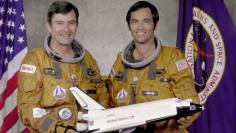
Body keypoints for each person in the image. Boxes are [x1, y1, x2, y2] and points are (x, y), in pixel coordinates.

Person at [108, 1, 200, 133]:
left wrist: (185, 114)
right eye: (135, 21)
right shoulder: (120, 61)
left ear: (154, 25)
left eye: (146, 21)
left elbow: (190, 101)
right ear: (129, 26)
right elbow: (110, 100)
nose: (140, 27)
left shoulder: (172, 57)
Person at [17, 1, 109, 132]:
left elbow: (103, 98)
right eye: (59, 23)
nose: (66, 29)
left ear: (77, 25)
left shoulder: (87, 59)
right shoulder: (35, 59)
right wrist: (61, 130)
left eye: (71, 23)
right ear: (49, 26)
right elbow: (28, 108)